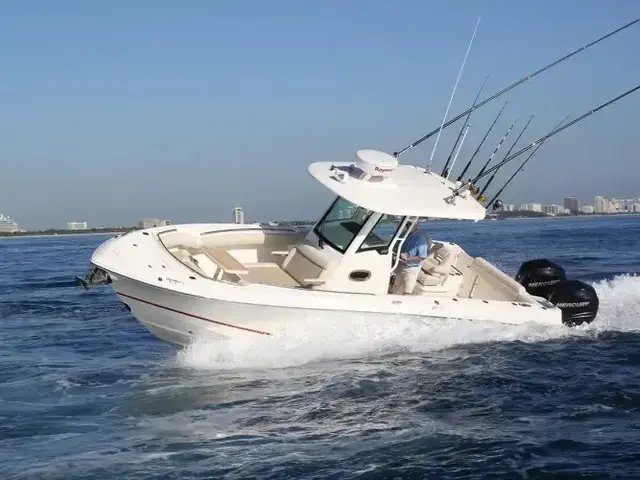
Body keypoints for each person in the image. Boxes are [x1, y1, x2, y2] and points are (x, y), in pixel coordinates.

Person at [391, 222, 429, 295]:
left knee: (406, 292)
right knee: (396, 289)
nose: (408, 226)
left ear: (416, 225)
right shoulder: (404, 235)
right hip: (400, 265)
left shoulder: (420, 239)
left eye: (410, 224)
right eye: (407, 224)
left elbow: (422, 257)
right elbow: (396, 247)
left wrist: (408, 258)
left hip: (411, 269)